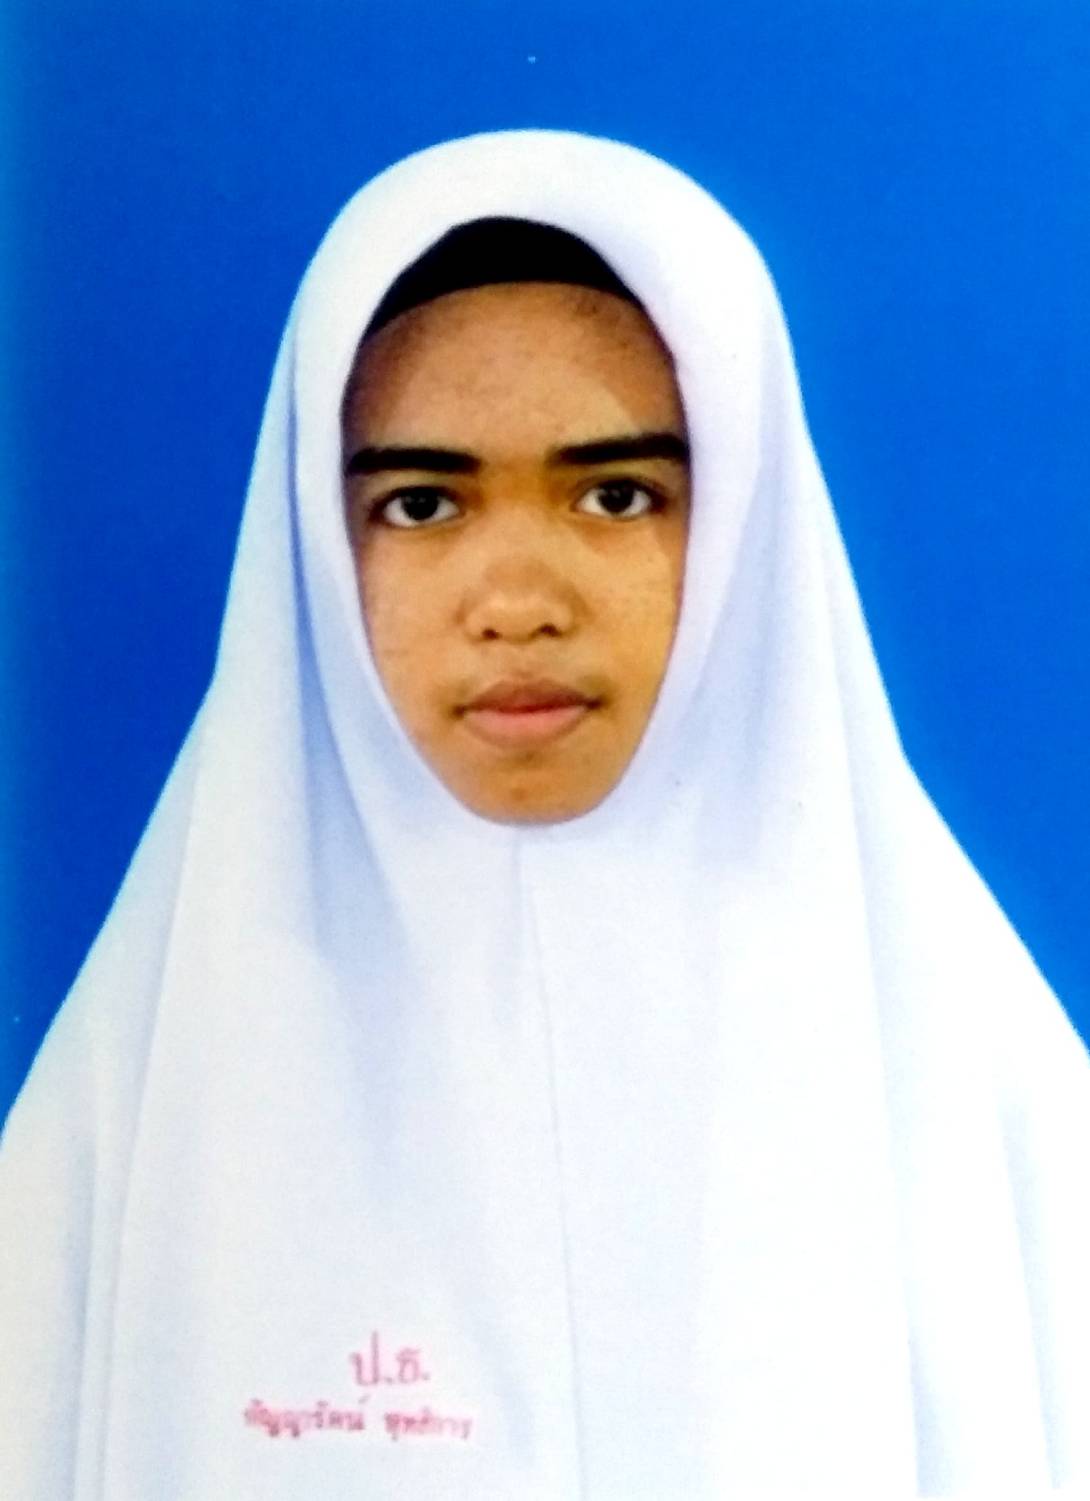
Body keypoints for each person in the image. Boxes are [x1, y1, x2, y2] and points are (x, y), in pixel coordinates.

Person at [1, 129, 1087, 1500]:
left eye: (616, 496)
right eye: (421, 504)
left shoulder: (986, 1115)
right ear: (316, 543)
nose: (516, 600)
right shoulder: (127, 1117)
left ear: (744, 524)